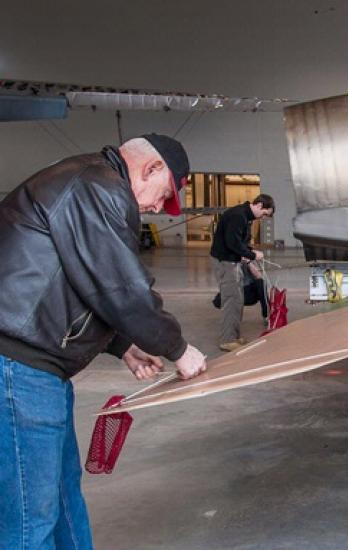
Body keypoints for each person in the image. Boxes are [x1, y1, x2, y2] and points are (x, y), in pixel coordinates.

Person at [0, 133, 208, 549]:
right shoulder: (94, 186)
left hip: (39, 373)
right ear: (150, 169)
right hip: (17, 370)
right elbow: (121, 287)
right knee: (29, 522)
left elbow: (74, 281)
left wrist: (120, 345)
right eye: (161, 196)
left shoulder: (86, 181)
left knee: (62, 499)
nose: (154, 209)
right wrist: (179, 349)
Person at [210, 194, 274, 351]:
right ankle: (227, 340)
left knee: (237, 300)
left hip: (233, 261)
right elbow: (232, 243)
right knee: (231, 301)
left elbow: (239, 241)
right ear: (259, 205)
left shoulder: (245, 216)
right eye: (264, 213)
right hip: (226, 263)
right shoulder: (238, 216)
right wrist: (252, 255)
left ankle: (234, 337)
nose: (263, 217)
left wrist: (249, 252)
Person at [211, 259, 269, 324]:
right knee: (218, 301)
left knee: (261, 283)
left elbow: (259, 276)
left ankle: (266, 315)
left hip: (250, 292)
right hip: (235, 291)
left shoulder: (249, 257)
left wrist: (248, 262)